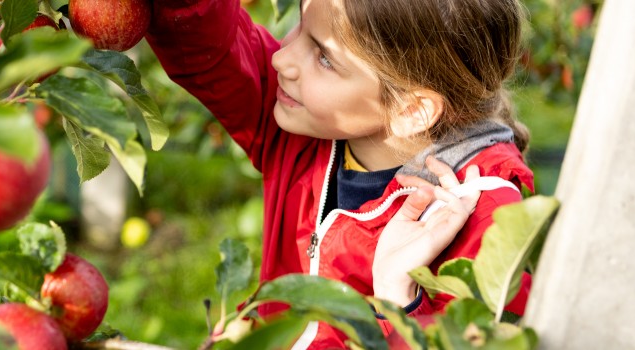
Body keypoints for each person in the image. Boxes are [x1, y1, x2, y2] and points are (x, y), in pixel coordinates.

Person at [145, 0, 535, 347]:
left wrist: (397, 299)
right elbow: (209, 45)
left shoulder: (485, 223)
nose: (282, 59)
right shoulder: (302, 127)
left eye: (324, 57)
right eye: (299, 22)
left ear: (411, 110)